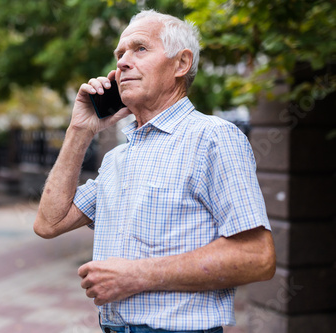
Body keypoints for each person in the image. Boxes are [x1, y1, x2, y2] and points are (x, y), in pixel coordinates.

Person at [34, 9, 276, 333]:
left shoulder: (213, 138)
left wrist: (137, 275)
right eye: (119, 54)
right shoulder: (118, 158)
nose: (121, 63)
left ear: (181, 63)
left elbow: (257, 256)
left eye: (140, 49)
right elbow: (48, 222)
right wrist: (80, 130)